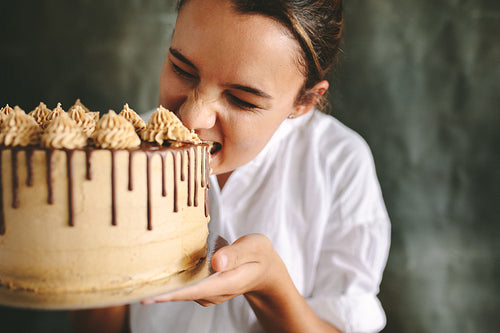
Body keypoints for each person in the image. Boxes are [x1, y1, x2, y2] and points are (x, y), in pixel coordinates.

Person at [70, 0, 390, 332]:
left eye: (242, 100)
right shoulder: (123, 152)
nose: (192, 118)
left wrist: (269, 284)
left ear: (304, 102)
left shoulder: (337, 165)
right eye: (182, 69)